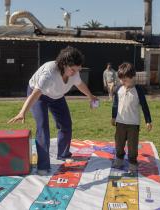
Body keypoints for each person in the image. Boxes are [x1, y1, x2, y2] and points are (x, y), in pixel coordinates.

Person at [8, 46, 97, 175]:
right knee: (43, 127)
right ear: (63, 64)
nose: (74, 73)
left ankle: (63, 154)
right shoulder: (49, 73)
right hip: (40, 96)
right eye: (72, 70)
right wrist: (22, 112)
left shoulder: (74, 72)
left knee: (66, 124)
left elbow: (80, 84)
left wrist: (90, 96)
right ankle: (43, 166)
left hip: (57, 96)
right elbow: (35, 94)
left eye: (77, 70)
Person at [111, 62, 152, 173]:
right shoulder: (119, 88)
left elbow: (144, 106)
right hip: (120, 123)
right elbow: (115, 103)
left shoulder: (139, 91)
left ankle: (133, 163)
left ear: (133, 77)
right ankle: (119, 159)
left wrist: (148, 120)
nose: (123, 82)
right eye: (121, 80)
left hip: (133, 124)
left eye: (125, 80)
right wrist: (113, 116)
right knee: (119, 143)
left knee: (132, 145)